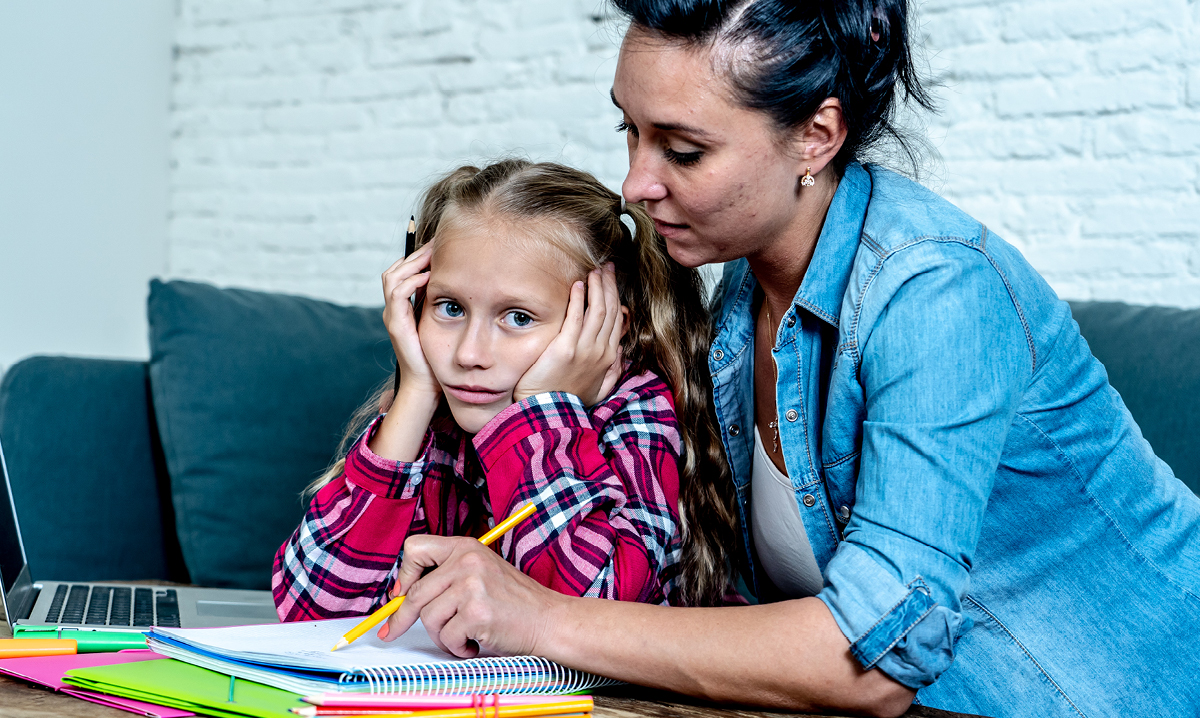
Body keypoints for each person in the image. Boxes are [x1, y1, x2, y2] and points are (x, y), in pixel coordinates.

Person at [372, 2, 1200, 717]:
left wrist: (535, 617)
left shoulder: (937, 292)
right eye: (630, 130)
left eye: (683, 151)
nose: (634, 183)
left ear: (816, 136)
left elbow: (875, 661)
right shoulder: (740, 286)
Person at [272, 159, 728, 621]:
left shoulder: (637, 415)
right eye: (449, 308)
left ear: (602, 328)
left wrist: (539, 414)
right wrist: (414, 392)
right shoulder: (438, 417)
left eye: (518, 317)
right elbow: (310, 608)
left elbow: (592, 617)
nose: (469, 353)